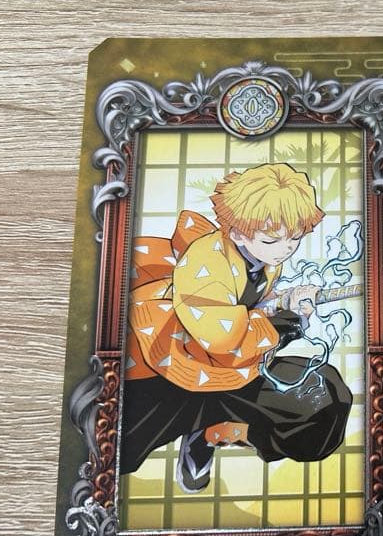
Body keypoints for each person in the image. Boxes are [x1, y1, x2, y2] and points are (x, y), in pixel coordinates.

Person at [118, 162, 351, 493]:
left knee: (326, 399)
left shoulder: (262, 256)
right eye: (273, 239)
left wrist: (286, 302)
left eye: (295, 238)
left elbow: (252, 304)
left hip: (231, 373)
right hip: (169, 374)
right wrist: (285, 323)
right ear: (238, 231)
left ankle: (216, 432)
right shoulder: (205, 262)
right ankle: (197, 424)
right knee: (114, 451)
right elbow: (222, 338)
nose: (286, 248)